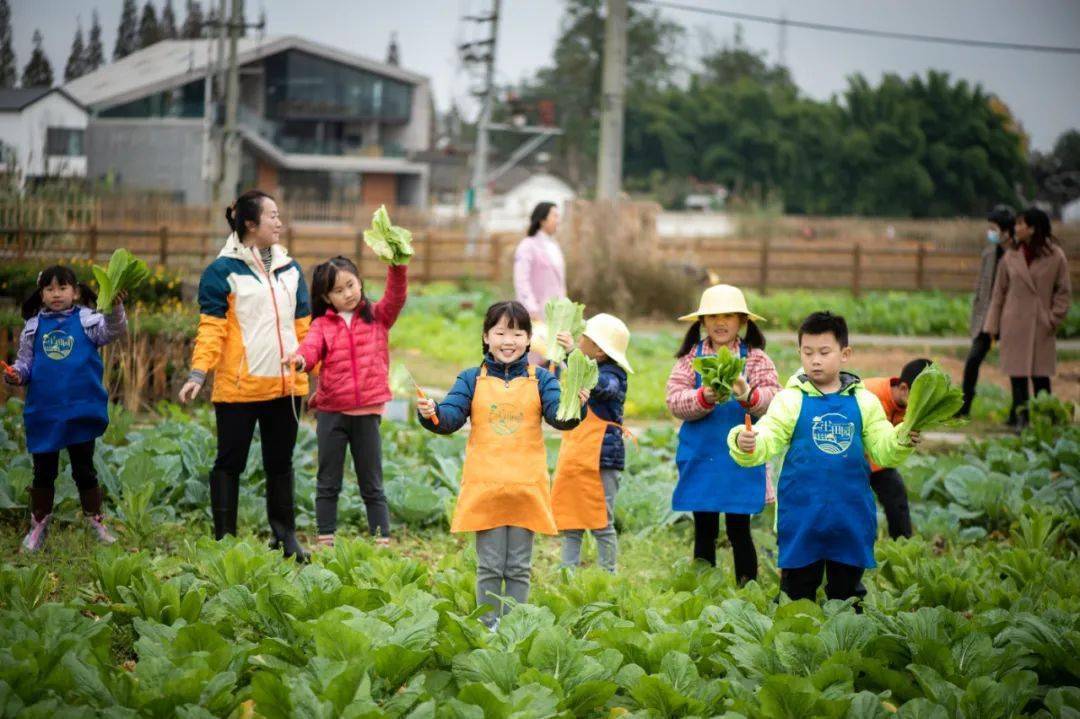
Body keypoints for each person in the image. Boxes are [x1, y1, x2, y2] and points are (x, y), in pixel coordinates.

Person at [728, 312, 920, 604]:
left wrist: (901, 438)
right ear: (800, 353)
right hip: (802, 514)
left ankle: (845, 645)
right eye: (808, 352)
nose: (815, 359)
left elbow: (883, 447)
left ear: (845, 354)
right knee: (796, 594)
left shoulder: (863, 401)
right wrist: (745, 440)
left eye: (824, 352)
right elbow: (768, 436)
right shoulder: (790, 400)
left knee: (847, 596)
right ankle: (797, 644)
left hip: (850, 515)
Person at [416, 301, 586, 628]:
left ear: (528, 340)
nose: (509, 340)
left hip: (526, 488)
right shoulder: (470, 379)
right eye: (500, 332)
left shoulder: (543, 380)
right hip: (486, 487)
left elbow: (560, 418)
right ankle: (487, 626)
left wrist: (574, 403)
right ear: (486, 337)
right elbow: (449, 418)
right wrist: (432, 412)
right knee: (491, 566)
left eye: (517, 333)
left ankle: (514, 626)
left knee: (519, 567)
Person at [178, 190, 311, 561]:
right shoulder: (221, 272)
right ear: (250, 224)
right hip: (239, 390)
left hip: (285, 387)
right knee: (229, 463)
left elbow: (305, 328)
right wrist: (198, 373)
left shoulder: (291, 269)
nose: (279, 222)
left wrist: (313, 366)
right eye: (272, 216)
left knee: (280, 464)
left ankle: (285, 538)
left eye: (278, 215)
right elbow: (212, 329)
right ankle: (225, 542)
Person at [284, 256, 407, 550]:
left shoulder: (379, 315)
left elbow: (397, 294)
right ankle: (325, 541)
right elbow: (310, 349)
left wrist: (397, 265)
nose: (348, 293)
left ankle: (382, 543)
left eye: (350, 284)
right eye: (338, 291)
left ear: (359, 281)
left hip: (367, 413)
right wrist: (300, 360)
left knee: (372, 482)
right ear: (326, 297)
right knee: (328, 481)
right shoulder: (322, 325)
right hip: (331, 412)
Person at [5, 265, 127, 552]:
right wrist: (16, 375)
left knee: (84, 469)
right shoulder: (33, 328)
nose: (56, 294)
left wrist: (116, 307)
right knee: (42, 472)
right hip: (45, 412)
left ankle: (96, 521)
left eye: (62, 288)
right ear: (42, 294)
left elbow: (114, 329)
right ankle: (39, 524)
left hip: (80, 410)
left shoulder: (88, 321)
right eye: (49, 289)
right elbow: (25, 364)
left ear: (75, 291)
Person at [667, 284, 780, 585]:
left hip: (740, 459)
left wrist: (748, 394)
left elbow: (773, 398)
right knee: (703, 527)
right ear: (702, 322)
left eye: (729, 316)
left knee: (738, 528)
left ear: (743, 321)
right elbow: (674, 399)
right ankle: (705, 589)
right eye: (713, 316)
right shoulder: (690, 360)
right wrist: (702, 397)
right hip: (702, 457)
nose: (721, 322)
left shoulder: (756, 359)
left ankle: (748, 589)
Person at [550, 313, 633, 573]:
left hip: (602, 459)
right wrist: (568, 354)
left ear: (598, 350)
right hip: (575, 456)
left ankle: (608, 573)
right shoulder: (587, 366)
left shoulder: (614, 375)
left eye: (583, 338)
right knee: (570, 519)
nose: (579, 340)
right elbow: (580, 370)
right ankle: (568, 571)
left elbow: (602, 386)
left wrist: (572, 353)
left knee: (601, 521)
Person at [983, 207, 1072, 429]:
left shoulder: (1056, 256)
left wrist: (1053, 318)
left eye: (1021, 224)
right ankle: (1021, 418)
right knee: (1017, 374)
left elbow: (1063, 291)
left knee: (1041, 376)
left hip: (1042, 324)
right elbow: (999, 293)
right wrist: (992, 325)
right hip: (1014, 322)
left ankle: (1045, 417)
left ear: (1032, 228)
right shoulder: (1010, 256)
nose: (1016, 228)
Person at [863, 358, 932, 540]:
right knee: (856, 505)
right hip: (852, 459)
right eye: (921, 398)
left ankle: (902, 548)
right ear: (903, 389)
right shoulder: (869, 393)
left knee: (895, 493)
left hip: (879, 459)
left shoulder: (911, 408)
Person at [959, 205, 1014, 418]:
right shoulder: (989, 253)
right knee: (972, 360)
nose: (990, 232)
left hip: (1008, 317)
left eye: (994, 228)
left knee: (1014, 367)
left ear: (1006, 231)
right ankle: (965, 406)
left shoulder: (1017, 255)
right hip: (986, 317)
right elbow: (981, 287)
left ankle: (1017, 411)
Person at [513, 202, 566, 362]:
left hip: (555, 314)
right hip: (536, 314)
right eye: (554, 216)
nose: (558, 220)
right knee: (534, 358)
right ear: (542, 220)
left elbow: (560, 283)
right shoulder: (527, 246)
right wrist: (531, 309)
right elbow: (521, 280)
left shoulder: (554, 246)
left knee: (552, 359)